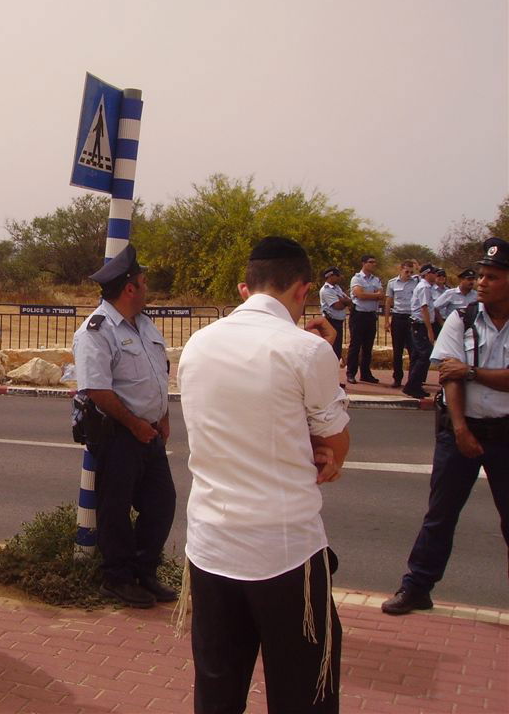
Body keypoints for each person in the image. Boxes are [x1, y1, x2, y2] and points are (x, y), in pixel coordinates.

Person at [178, 236, 350, 714]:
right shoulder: (305, 350)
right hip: (285, 550)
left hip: (211, 544)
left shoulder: (197, 344)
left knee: (217, 684)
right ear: (303, 291)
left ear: (243, 289)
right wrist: (326, 360)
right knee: (303, 690)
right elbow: (335, 445)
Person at [381, 239, 509, 615]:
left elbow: (462, 371)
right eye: (481, 275)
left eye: (493, 277)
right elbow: (448, 377)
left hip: (506, 433)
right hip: (459, 431)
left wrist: (471, 371)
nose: (482, 283)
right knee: (440, 515)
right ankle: (417, 587)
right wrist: (460, 428)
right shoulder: (462, 318)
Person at [72, 244, 176, 609]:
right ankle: (116, 578)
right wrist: (134, 425)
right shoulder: (96, 331)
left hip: (149, 433)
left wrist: (162, 417)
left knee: (162, 504)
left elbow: (158, 373)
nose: (148, 288)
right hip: (118, 435)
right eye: (144, 282)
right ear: (130, 288)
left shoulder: (144, 324)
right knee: (114, 510)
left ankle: (144, 572)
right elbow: (97, 389)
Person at [346, 254, 384, 384]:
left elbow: (381, 295)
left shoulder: (376, 279)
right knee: (355, 345)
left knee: (368, 347)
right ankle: (351, 373)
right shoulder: (357, 278)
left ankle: (366, 373)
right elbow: (359, 294)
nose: (373, 264)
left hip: (371, 315)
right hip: (359, 315)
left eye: (374, 262)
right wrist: (374, 295)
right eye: (370, 262)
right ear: (363, 263)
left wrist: (370, 295)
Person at [403, 264, 439, 400]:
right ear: (427, 274)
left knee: (419, 355)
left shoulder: (426, 287)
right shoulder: (424, 287)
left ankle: (415, 385)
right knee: (425, 355)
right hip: (420, 325)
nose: (435, 276)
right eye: (433, 273)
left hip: (420, 325)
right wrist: (430, 330)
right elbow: (424, 309)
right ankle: (412, 385)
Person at [384, 260, 418, 390]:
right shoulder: (392, 283)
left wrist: (418, 268)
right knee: (397, 350)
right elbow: (388, 302)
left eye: (411, 272)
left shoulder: (416, 282)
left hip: (411, 317)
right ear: (401, 269)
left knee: (413, 350)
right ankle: (397, 378)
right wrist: (387, 321)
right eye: (406, 271)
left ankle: (412, 379)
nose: (409, 274)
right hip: (398, 317)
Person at [318, 267, 351, 359]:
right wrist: (344, 301)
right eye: (337, 275)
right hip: (330, 321)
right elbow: (337, 306)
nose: (339, 278)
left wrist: (343, 300)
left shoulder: (337, 288)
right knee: (332, 350)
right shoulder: (326, 290)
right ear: (330, 276)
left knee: (337, 351)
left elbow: (348, 300)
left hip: (338, 322)